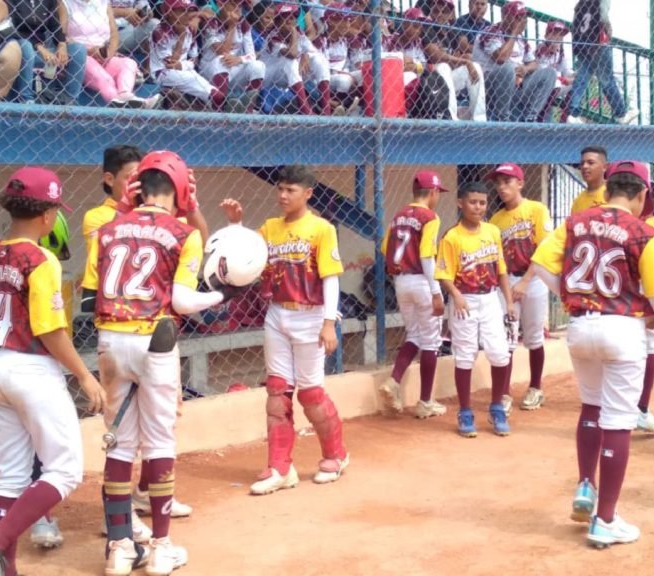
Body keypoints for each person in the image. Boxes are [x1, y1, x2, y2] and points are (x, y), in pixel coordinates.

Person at [0, 167, 105, 576]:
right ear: (47, 214)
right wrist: (85, 376)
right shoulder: (41, 259)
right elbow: (50, 329)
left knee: (15, 471)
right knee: (66, 470)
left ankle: (4, 567)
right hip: (32, 369)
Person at [81, 151, 227, 576]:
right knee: (160, 442)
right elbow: (182, 300)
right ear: (181, 190)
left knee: (120, 445)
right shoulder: (183, 232)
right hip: (156, 340)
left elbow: (90, 299)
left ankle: (120, 549)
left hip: (111, 339)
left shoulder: (106, 229)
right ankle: (161, 547)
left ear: (136, 187)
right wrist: (223, 296)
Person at [531, 160, 654, 548]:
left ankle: (586, 485)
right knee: (618, 422)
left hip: (582, 325)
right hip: (622, 329)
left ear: (609, 189)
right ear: (638, 195)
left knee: (591, 407)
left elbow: (538, 262)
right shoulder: (643, 232)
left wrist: (567, 295)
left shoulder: (576, 222)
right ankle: (605, 519)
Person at [220, 165, 349, 495]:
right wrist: (236, 225)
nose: (282, 195)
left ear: (307, 194)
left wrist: (329, 323)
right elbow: (247, 257)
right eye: (279, 188)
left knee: (310, 393)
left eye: (290, 190)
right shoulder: (269, 228)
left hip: (311, 315)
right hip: (278, 314)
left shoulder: (321, 229)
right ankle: (280, 467)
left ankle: (336, 455)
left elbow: (331, 276)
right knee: (277, 392)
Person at [570, 146, 654, 434]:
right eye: (582, 162)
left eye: (591, 162)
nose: (585, 167)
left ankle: (640, 408)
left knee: (648, 344)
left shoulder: (620, 199)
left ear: (606, 172)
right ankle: (633, 409)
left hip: (627, 274)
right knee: (631, 349)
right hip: (604, 290)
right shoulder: (579, 202)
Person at [435, 182, 515, 437]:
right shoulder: (452, 236)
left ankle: (496, 407)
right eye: (472, 202)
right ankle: (466, 411)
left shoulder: (492, 231)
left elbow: (500, 269)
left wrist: (509, 301)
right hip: (465, 300)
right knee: (465, 355)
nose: (478, 207)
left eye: (482, 202)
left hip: (490, 298)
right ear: (460, 203)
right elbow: (444, 273)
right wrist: (456, 295)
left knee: (500, 353)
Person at [379, 170, 448, 419]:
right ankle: (426, 401)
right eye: (438, 193)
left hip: (401, 281)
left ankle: (394, 381)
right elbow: (427, 256)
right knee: (431, 341)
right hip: (422, 280)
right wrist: (436, 292)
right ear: (433, 192)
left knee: (415, 335)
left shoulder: (398, 216)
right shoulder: (430, 216)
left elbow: (384, 247)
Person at [487, 163, 552, 412]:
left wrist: (526, 280)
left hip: (533, 279)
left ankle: (535, 388)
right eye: (498, 183)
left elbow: (544, 249)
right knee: (506, 338)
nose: (502, 187)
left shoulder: (536, 209)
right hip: (508, 282)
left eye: (507, 181)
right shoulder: (495, 220)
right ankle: (504, 392)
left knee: (534, 336)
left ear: (520, 183)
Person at [63, 0, 160, 107]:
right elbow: (61, 38)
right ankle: (125, 104)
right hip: (81, 55)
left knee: (129, 63)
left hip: (103, 53)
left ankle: (125, 95)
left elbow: (114, 35)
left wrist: (109, 53)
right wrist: (90, 51)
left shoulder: (103, 3)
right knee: (105, 79)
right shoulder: (65, 3)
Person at [473, 1, 556, 122]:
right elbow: (501, 58)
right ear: (505, 16)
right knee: (508, 68)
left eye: (523, 17)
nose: (521, 20)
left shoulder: (521, 38)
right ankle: (502, 118)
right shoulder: (491, 31)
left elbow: (534, 63)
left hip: (516, 88)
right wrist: (514, 34)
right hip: (490, 87)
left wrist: (525, 69)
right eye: (517, 16)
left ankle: (530, 117)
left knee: (550, 73)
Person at [566, 0, 638, 125]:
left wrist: (577, 46)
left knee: (582, 78)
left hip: (584, 43)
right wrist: (608, 30)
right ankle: (621, 114)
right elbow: (603, 16)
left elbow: (575, 25)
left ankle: (572, 113)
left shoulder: (581, 3)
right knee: (607, 79)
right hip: (598, 43)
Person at [150, 0, 225, 111]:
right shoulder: (160, 31)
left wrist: (182, 65)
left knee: (198, 80)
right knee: (193, 80)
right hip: (161, 73)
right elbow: (170, 64)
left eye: (188, 11)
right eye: (182, 11)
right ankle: (215, 103)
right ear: (170, 13)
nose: (187, 15)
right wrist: (182, 35)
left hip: (185, 70)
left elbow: (193, 60)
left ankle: (215, 101)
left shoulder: (189, 30)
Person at [9, 0, 87, 104]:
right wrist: (39, 47)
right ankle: (27, 99)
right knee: (26, 46)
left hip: (44, 50)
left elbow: (55, 25)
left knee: (78, 49)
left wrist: (61, 44)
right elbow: (10, 29)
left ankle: (71, 99)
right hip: (21, 47)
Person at [422, 0, 486, 121]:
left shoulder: (452, 31)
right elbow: (435, 56)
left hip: (449, 78)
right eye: (436, 11)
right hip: (430, 80)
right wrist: (461, 60)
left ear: (450, 14)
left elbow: (459, 55)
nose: (440, 14)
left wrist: (465, 61)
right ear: (431, 11)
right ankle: (450, 117)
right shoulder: (427, 27)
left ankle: (479, 119)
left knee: (475, 66)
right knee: (443, 66)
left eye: (444, 11)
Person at [198, 0, 265, 112]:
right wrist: (232, 25)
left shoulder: (243, 24)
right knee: (221, 60)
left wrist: (239, 59)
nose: (237, 9)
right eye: (233, 4)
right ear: (220, 4)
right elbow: (223, 51)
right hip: (210, 71)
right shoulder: (211, 23)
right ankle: (219, 108)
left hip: (232, 67)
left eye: (240, 5)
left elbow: (252, 55)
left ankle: (248, 110)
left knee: (259, 65)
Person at [259, 3, 321, 115]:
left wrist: (305, 54)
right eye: (284, 18)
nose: (289, 22)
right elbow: (291, 54)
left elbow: (313, 51)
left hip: (283, 74)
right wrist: (293, 33)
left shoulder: (299, 32)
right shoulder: (273, 36)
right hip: (266, 75)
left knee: (317, 61)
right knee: (290, 62)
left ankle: (325, 107)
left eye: (291, 18)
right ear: (277, 22)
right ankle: (307, 110)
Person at [535, 20, 573, 121]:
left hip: (553, 87)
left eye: (561, 35)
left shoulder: (560, 52)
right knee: (554, 80)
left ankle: (564, 119)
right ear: (546, 35)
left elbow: (567, 71)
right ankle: (540, 116)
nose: (558, 38)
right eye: (555, 34)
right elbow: (544, 75)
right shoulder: (541, 50)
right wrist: (564, 79)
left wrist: (578, 75)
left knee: (578, 82)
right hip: (538, 88)